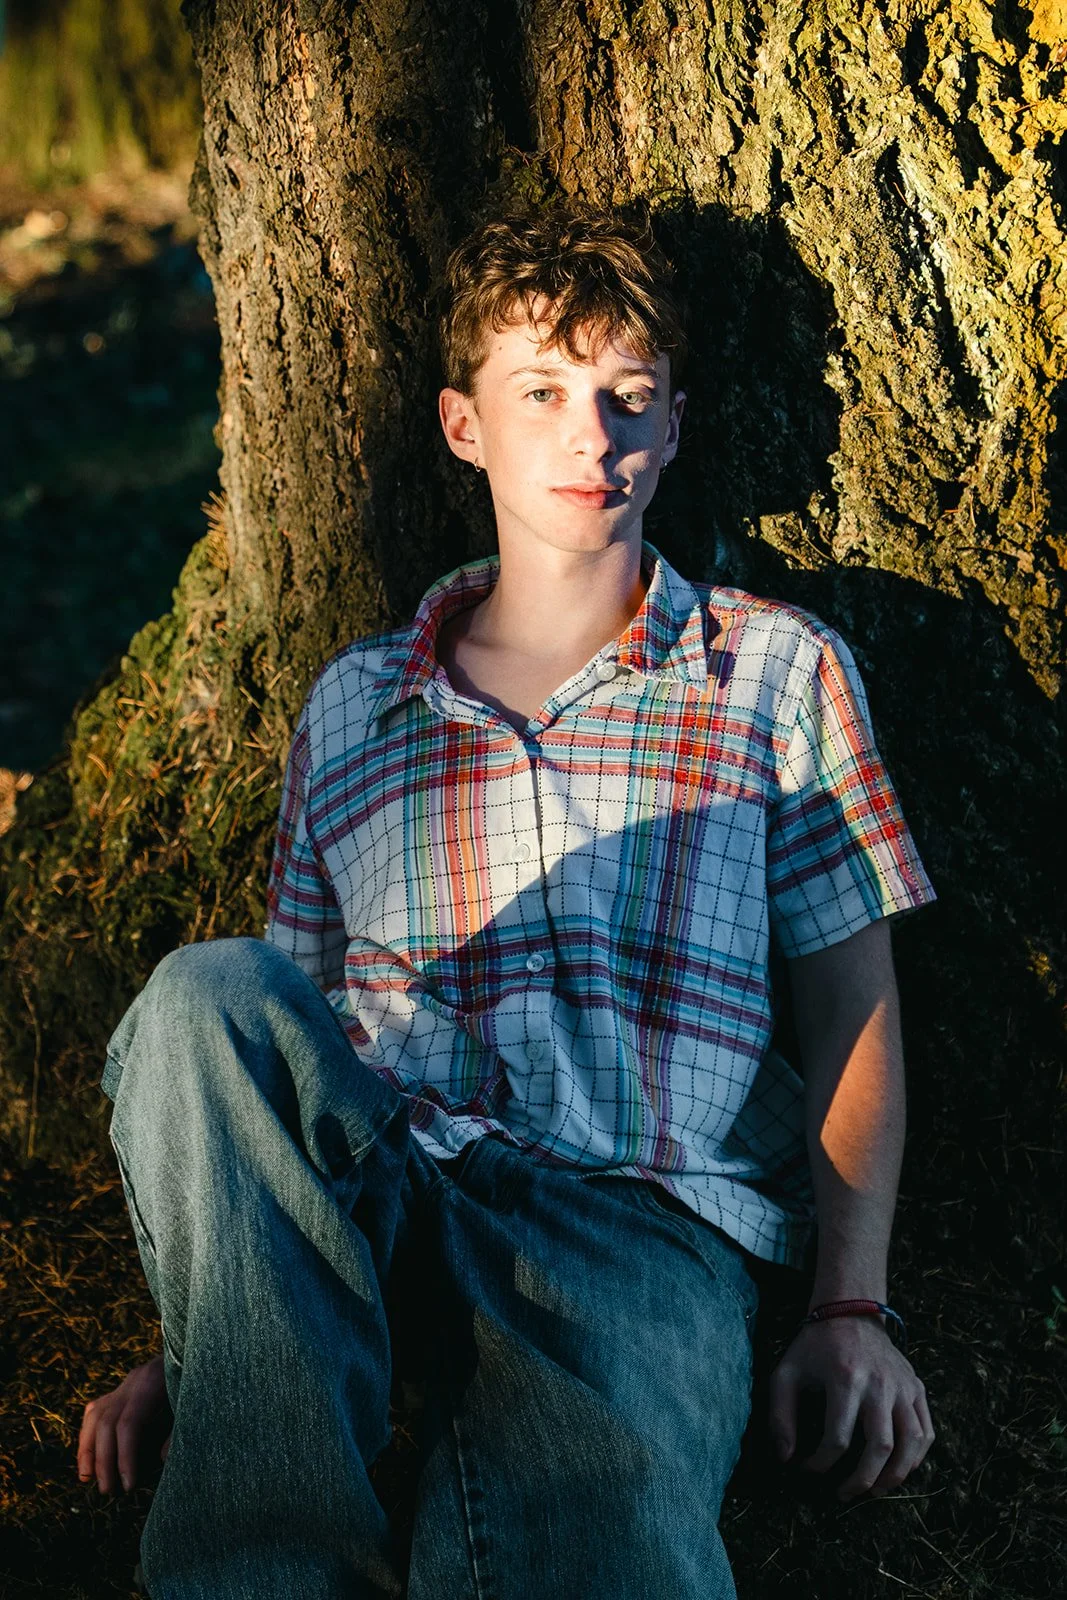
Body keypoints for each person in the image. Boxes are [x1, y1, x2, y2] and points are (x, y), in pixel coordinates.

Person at [76, 206, 936, 1599]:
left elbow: (852, 1007)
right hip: (383, 1181)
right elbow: (269, 1064)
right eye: (541, 393)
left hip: (634, 1220)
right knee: (206, 992)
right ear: (464, 425)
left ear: (672, 428)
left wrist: (848, 1306)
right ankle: (264, 1545)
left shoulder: (774, 674)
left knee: (594, 1562)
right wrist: (211, 1335)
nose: (590, 438)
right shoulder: (356, 704)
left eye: (626, 399)